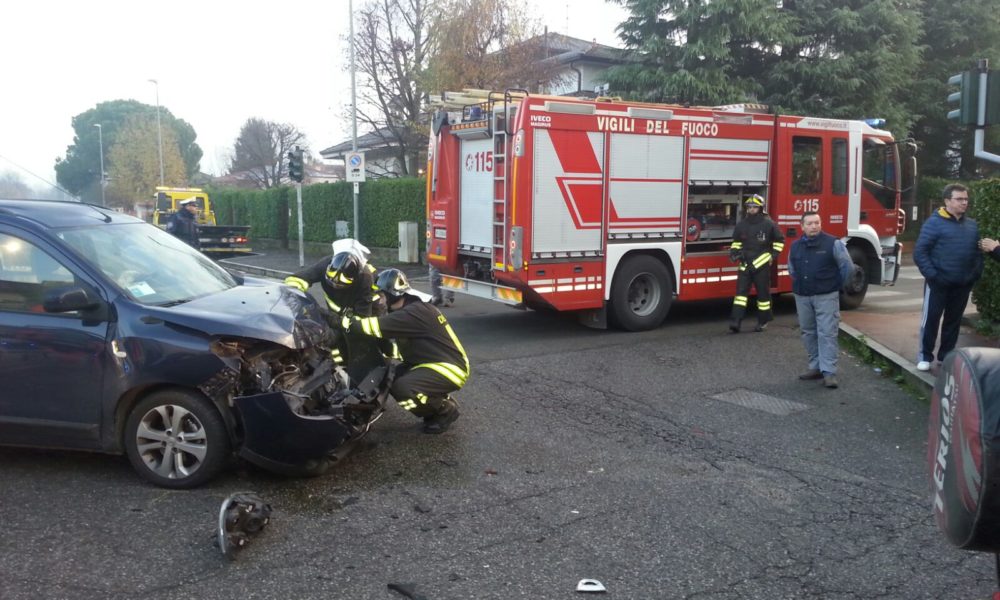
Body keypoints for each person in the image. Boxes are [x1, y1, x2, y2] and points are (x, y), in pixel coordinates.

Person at [343, 268, 469, 434]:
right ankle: (436, 401)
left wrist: (342, 321)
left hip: (449, 368)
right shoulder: (409, 309)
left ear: (392, 293)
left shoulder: (412, 313)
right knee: (390, 378)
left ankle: (445, 411)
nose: (378, 300)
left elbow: (371, 327)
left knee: (403, 388)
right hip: (431, 362)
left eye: (381, 295)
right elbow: (402, 348)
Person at [913, 184, 983, 372]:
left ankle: (945, 357)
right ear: (947, 201)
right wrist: (933, 276)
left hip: (962, 284)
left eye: (966, 199)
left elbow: (977, 254)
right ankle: (925, 356)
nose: (964, 202)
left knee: (953, 322)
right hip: (938, 284)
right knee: (931, 320)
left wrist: (973, 275)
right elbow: (920, 252)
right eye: (959, 199)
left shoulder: (972, 225)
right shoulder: (933, 223)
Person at [788, 211, 854, 389]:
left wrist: (834, 286)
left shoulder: (833, 243)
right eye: (809, 223)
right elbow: (792, 270)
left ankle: (829, 372)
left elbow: (847, 267)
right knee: (808, 332)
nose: (814, 226)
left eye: (817, 222)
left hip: (826, 295)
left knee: (827, 333)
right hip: (802, 296)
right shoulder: (795, 246)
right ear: (802, 227)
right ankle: (815, 367)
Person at [283, 238, 382, 320]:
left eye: (340, 285)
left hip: (369, 308)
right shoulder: (324, 265)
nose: (335, 285)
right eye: (332, 282)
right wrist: (290, 294)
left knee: (365, 338)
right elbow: (299, 278)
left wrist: (345, 323)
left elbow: (362, 317)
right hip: (334, 310)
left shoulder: (365, 278)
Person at [728, 194, 785, 333]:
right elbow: (736, 242)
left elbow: (779, 241)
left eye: (754, 207)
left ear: (760, 208)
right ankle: (736, 321)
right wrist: (735, 252)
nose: (751, 209)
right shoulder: (742, 224)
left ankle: (763, 320)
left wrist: (773, 255)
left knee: (763, 295)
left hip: (761, 264)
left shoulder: (769, 224)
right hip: (745, 264)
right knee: (740, 295)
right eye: (749, 207)